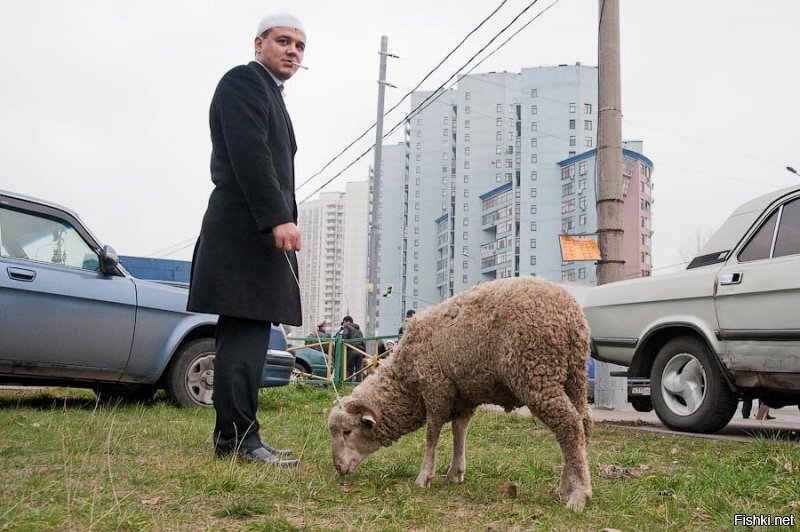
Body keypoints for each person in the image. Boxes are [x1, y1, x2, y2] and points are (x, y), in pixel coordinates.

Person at [187, 13, 307, 467]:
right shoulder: (243, 82)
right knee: (242, 340)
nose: (292, 50)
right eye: (283, 41)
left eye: (299, 45)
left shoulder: (271, 94)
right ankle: (239, 441)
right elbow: (250, 153)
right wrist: (278, 217)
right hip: (243, 231)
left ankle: (235, 436)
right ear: (259, 44)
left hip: (255, 234)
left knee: (249, 338)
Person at [340, 316, 365, 381]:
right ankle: (358, 384)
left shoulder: (347, 327)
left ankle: (348, 383)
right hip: (360, 351)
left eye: (344, 322)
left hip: (351, 351)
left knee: (348, 368)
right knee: (359, 369)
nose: (343, 324)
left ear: (347, 322)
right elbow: (363, 341)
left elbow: (344, 337)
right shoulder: (359, 330)